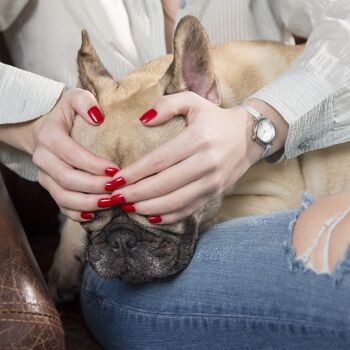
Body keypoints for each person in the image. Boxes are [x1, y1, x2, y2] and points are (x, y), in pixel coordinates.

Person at [1, 0, 350, 348]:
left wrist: (260, 123)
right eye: (108, 208)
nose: (125, 241)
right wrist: (34, 123)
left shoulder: (245, 81)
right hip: (128, 277)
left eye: (157, 204)